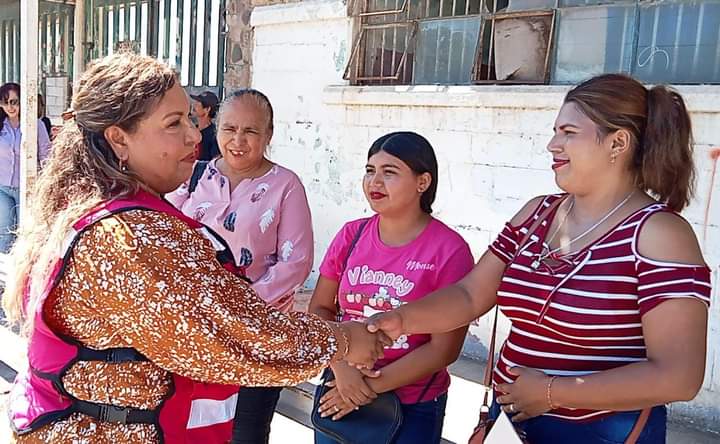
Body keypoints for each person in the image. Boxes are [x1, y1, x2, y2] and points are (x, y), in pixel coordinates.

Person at [3, 52, 388, 444]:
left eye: (190, 118)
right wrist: (343, 341)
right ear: (119, 138)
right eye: (174, 123)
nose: (193, 135)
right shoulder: (129, 236)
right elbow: (239, 339)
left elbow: (286, 268)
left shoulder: (99, 209)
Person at [367, 74, 712, 443]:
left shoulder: (659, 235)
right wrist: (400, 319)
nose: (552, 144)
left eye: (568, 132)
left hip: (598, 432)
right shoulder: (537, 215)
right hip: (513, 425)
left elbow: (679, 376)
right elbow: (470, 295)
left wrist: (551, 391)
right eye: (555, 131)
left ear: (618, 142)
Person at [166, 89, 314, 444]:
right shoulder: (193, 175)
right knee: (190, 428)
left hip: (258, 335)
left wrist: (236, 307)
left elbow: (295, 261)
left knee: (246, 432)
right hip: (196, 332)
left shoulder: (284, 185)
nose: (238, 140)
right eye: (229, 128)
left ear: (269, 135)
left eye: (251, 131)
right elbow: (168, 235)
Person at [309, 132, 475, 444]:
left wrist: (366, 388)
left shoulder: (449, 250)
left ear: (422, 182)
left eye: (390, 172)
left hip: (411, 405)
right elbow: (320, 308)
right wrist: (342, 368)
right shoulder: (351, 235)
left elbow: (444, 348)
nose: (374, 182)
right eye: (370, 171)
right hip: (340, 388)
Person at [0, 82, 52, 253]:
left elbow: (46, 154)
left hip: (28, 187)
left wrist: (47, 182)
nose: (10, 107)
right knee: (5, 232)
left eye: (14, 101)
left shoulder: (35, 125)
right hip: (3, 188)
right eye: (5, 102)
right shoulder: (1, 126)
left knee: (26, 232)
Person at [190, 90, 221, 160]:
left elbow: (215, 161)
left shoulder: (214, 135)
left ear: (207, 109)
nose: (194, 105)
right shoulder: (191, 130)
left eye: (198, 103)